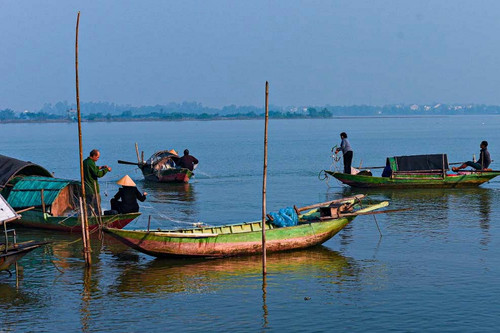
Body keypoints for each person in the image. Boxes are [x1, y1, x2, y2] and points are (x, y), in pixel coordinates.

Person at [83, 149, 111, 214]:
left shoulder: (85, 162)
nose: (98, 159)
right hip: (93, 188)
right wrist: (106, 170)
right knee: (97, 206)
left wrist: (101, 167)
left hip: (86, 188)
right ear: (94, 156)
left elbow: (93, 168)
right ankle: (99, 218)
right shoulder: (91, 163)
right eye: (98, 157)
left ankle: (88, 217)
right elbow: (98, 174)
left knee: (88, 206)